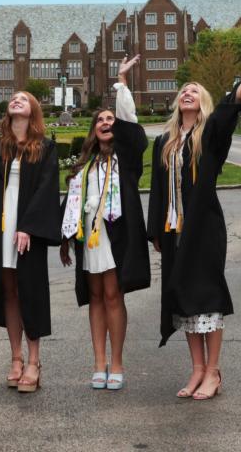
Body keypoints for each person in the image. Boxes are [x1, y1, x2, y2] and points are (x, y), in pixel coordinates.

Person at [149, 36, 241, 400]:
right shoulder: (165, 142)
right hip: (174, 231)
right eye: (184, 90)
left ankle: (213, 371)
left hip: (204, 228)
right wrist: (155, 230)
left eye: (195, 90)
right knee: (181, 298)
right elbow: (158, 189)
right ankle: (195, 370)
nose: (188, 92)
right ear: (177, 102)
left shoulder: (211, 134)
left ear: (203, 102)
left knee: (205, 296)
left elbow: (234, 101)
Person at [58, 54, 149, 392]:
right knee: (95, 296)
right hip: (90, 239)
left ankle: (118, 363)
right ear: (94, 129)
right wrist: (66, 238)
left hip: (116, 235)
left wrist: (122, 82)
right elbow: (72, 203)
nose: (107, 122)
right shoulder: (85, 164)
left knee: (113, 295)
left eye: (112, 118)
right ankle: (98, 363)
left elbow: (131, 124)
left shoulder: (127, 158)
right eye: (101, 119)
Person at [0, 91, 61, 393]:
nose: (17, 100)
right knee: (8, 289)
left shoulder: (45, 148)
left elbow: (47, 188)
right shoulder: (0, 145)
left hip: (26, 229)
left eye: (24, 98)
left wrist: (29, 227)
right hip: (1, 225)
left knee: (28, 291)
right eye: (13, 99)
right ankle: (16, 359)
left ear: (33, 110)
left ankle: (34, 361)